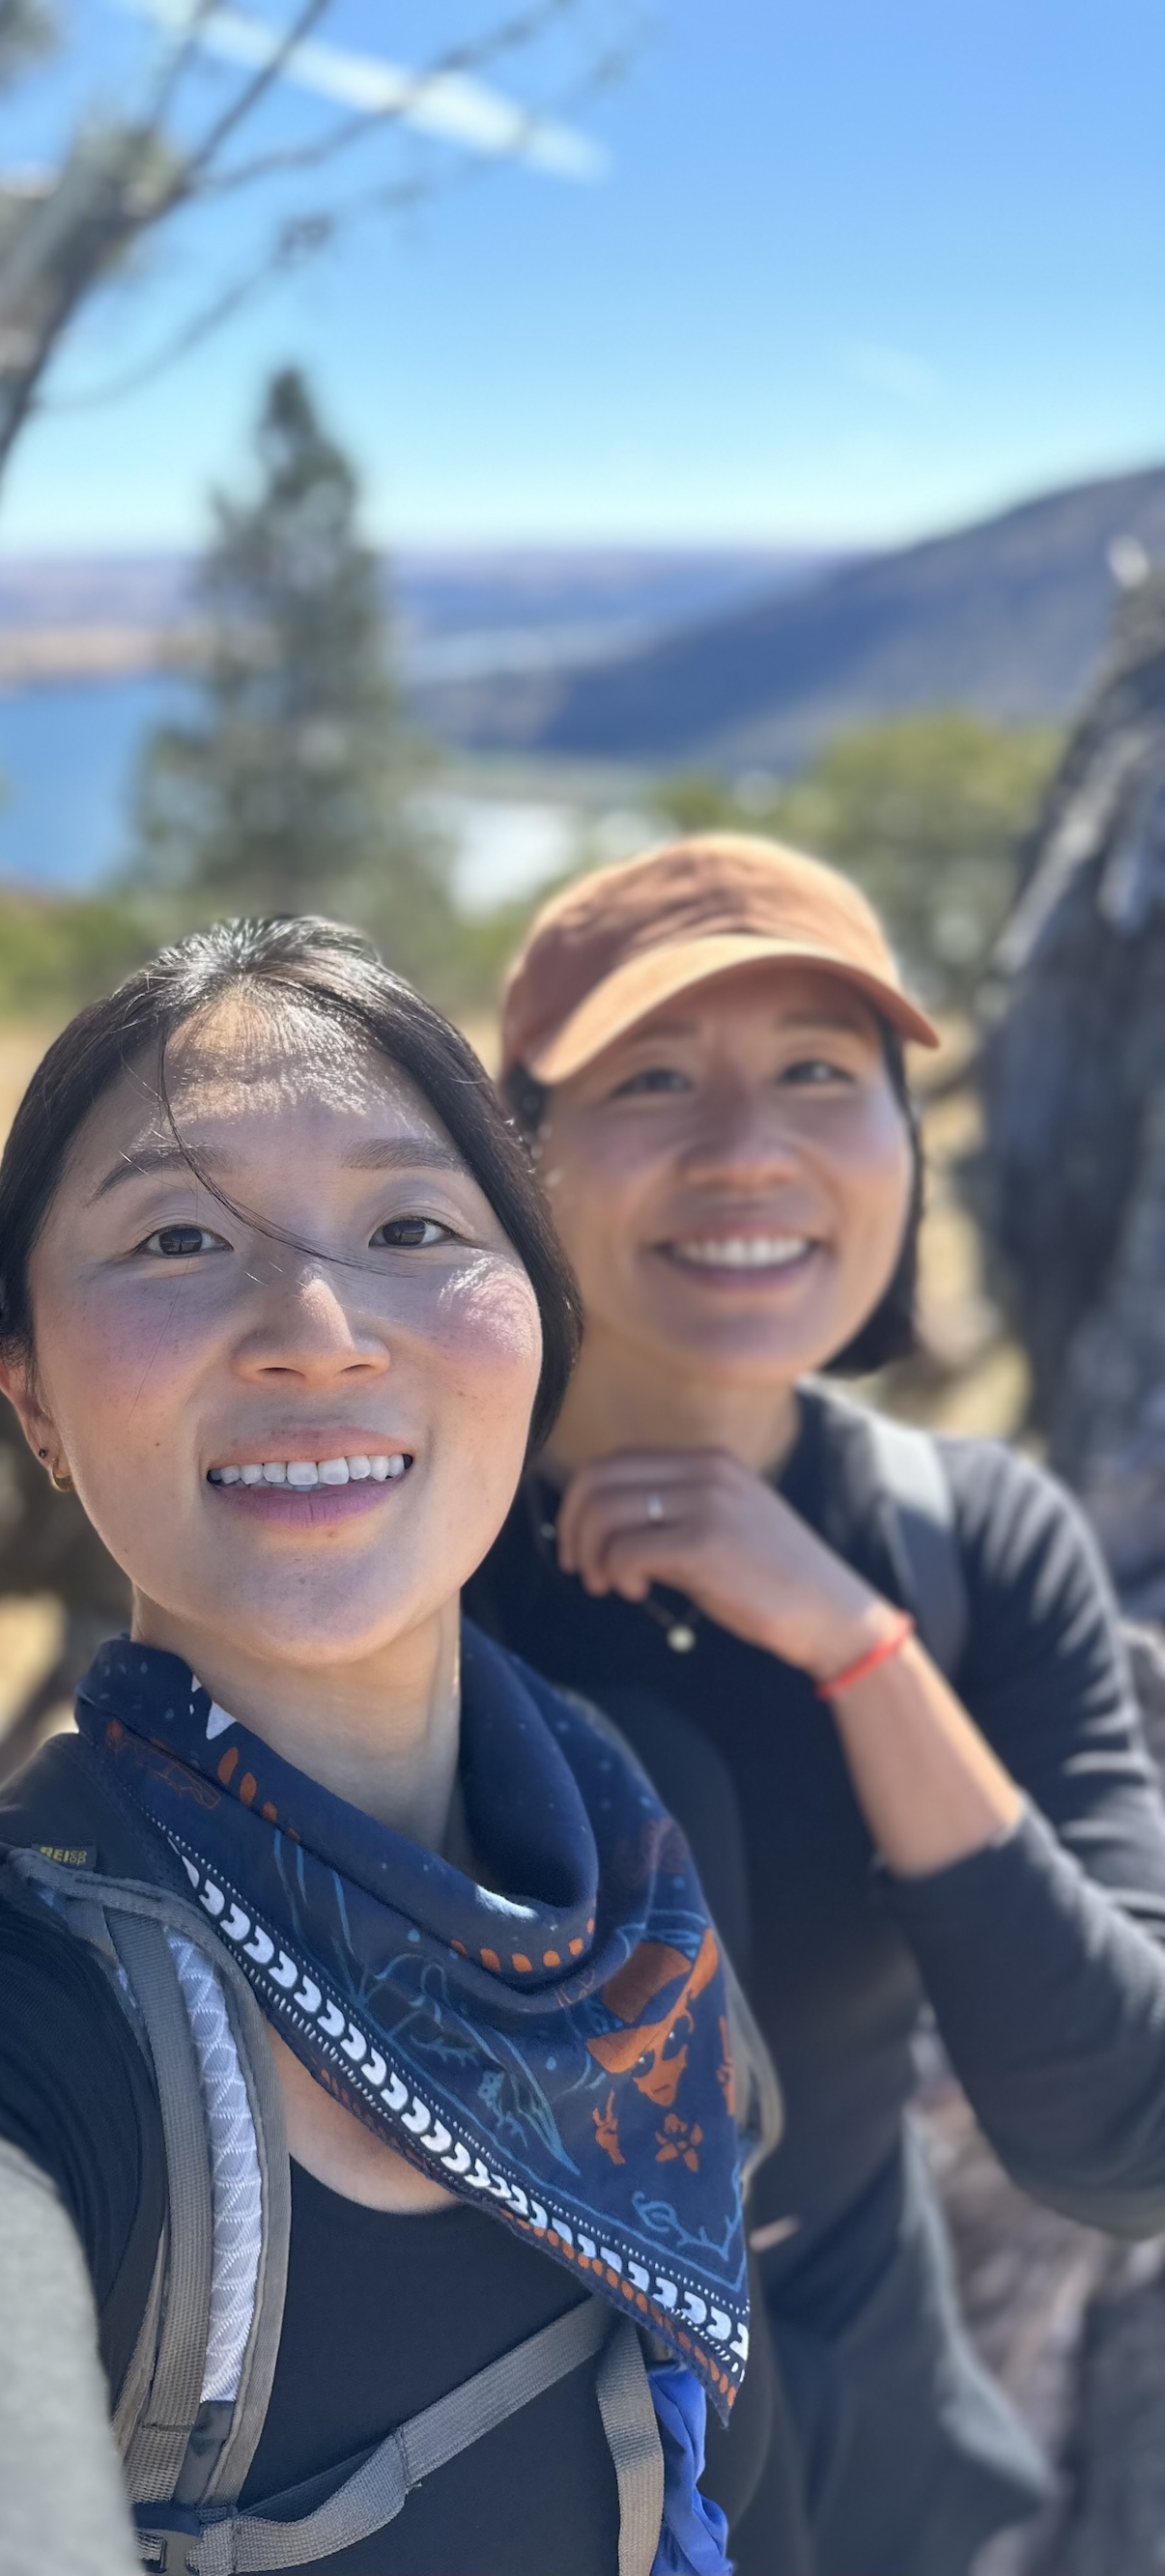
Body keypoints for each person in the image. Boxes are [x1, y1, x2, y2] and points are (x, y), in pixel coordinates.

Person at [0, 917, 789, 2576]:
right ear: (25, 1390)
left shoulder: (646, 1849)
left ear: (536, 1327)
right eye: (180, 1240)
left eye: (413, 1224)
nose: (314, 1328)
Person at [464, 834, 1165, 2575]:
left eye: (816, 1075)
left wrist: (859, 1649)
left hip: (864, 2485)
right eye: (652, 1078)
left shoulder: (967, 1549)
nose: (747, 1146)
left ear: (904, 1151)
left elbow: (1118, 2141)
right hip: (473, 2484)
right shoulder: (391, 1540)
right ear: (516, 1157)